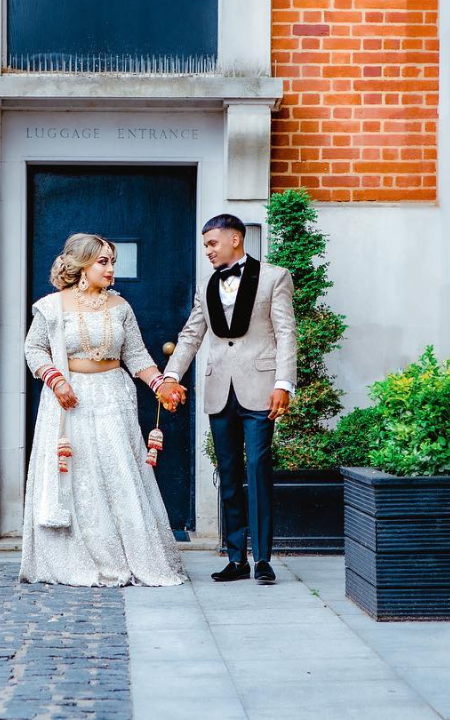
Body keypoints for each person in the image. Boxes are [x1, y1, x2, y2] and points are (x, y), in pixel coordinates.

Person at [20, 233, 186, 587]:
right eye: (103, 262)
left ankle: (129, 556)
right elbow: (34, 349)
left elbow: (137, 355)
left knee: (118, 475)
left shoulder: (121, 307)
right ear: (82, 265)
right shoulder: (51, 306)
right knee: (79, 478)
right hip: (69, 400)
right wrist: (56, 380)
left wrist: (161, 385)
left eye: (113, 262)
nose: (111, 269)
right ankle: (78, 557)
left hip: (113, 397)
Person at [159, 214, 298, 585]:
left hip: (261, 388)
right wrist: (171, 376)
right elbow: (191, 335)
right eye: (205, 244)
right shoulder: (207, 284)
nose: (207, 250)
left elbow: (286, 334)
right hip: (219, 390)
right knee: (230, 475)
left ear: (235, 239)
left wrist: (284, 383)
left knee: (258, 469)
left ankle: (263, 559)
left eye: (212, 243)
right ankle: (236, 557)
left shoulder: (274, 277)